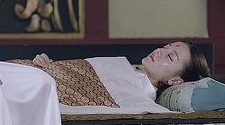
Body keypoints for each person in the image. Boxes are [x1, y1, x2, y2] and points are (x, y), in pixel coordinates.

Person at [32, 41, 210, 100]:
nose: (160, 51)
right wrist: (53, 67)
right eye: (166, 47)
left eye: (170, 57)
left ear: (175, 81)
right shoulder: (134, 76)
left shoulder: (140, 94)